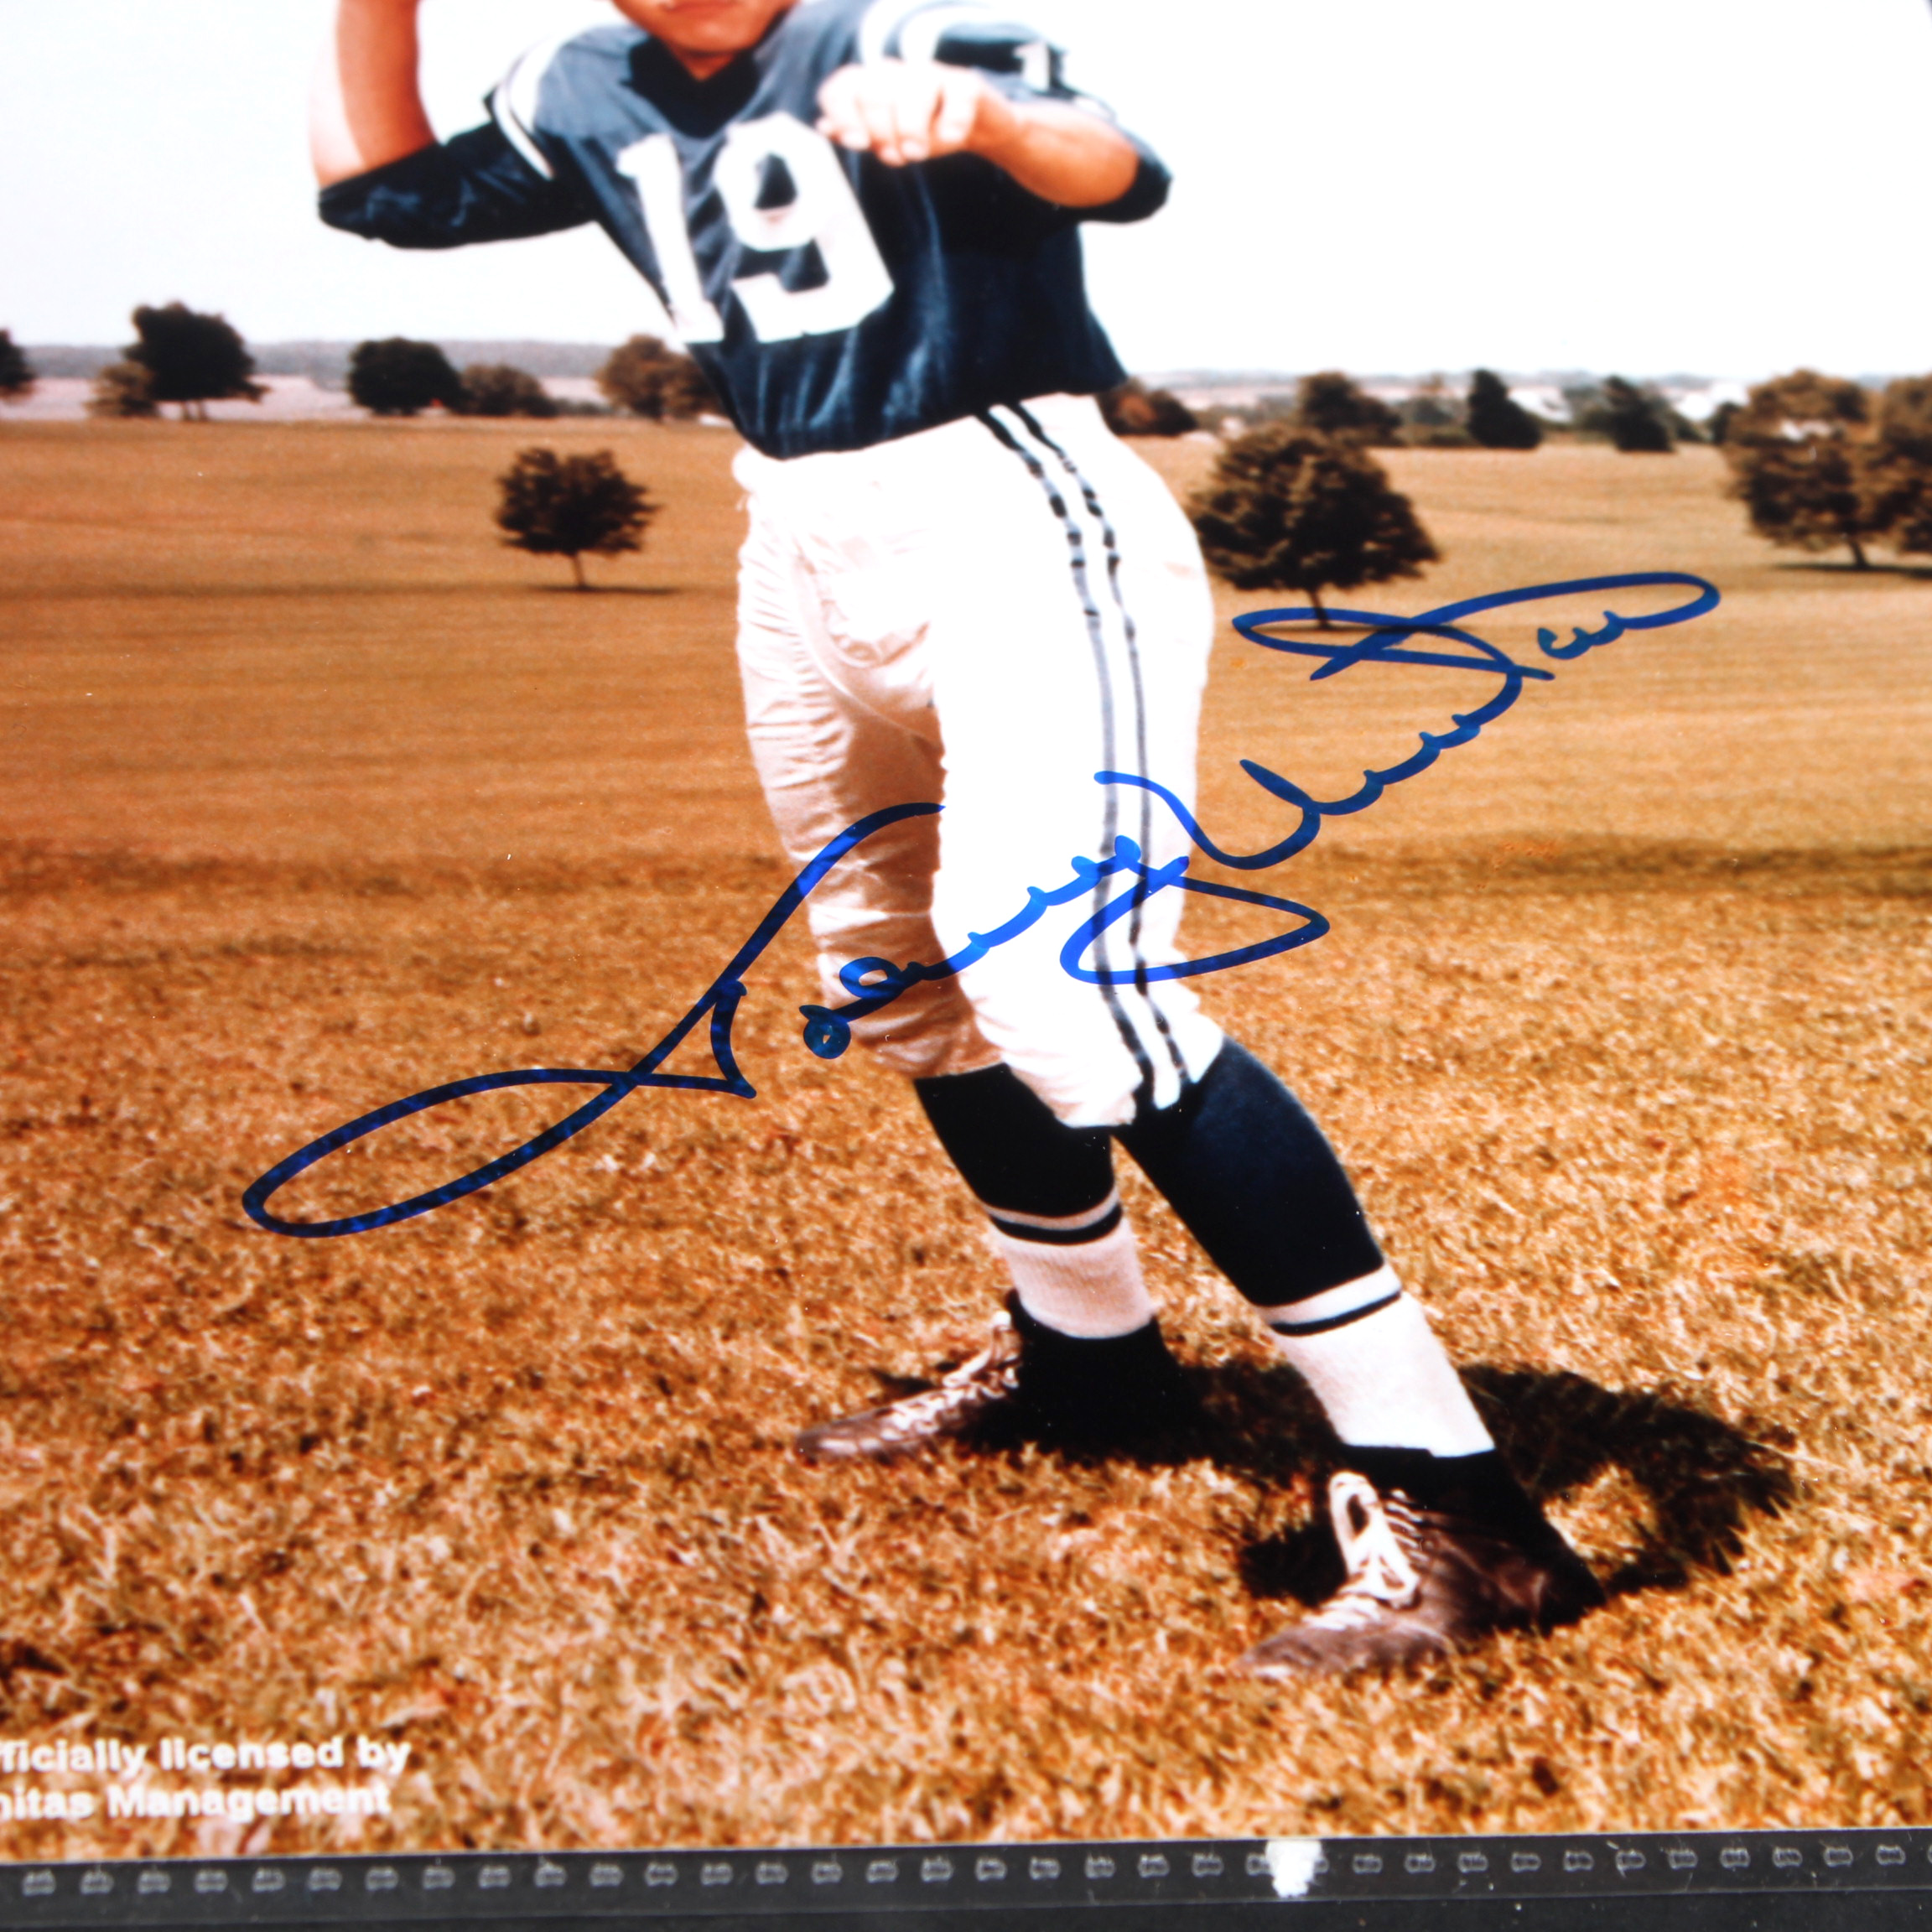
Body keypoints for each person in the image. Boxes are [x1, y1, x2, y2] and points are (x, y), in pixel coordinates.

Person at [312, 0, 1604, 1675]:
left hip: (1007, 509)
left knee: (1071, 990)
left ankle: (1463, 1509)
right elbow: (384, 196)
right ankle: (1092, 1362)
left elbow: (1119, 169)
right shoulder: (587, 76)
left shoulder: (897, 25)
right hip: (795, 532)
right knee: (898, 974)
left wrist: (981, 127)